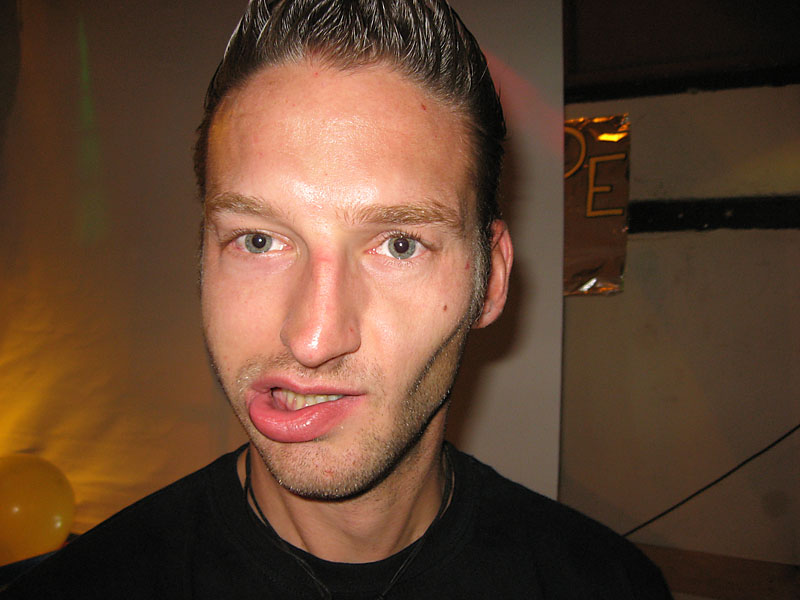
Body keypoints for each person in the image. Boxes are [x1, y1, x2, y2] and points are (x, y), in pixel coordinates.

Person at [3, 0, 672, 598]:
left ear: (489, 281)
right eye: (259, 240)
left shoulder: (606, 584)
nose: (313, 339)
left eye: (400, 245)